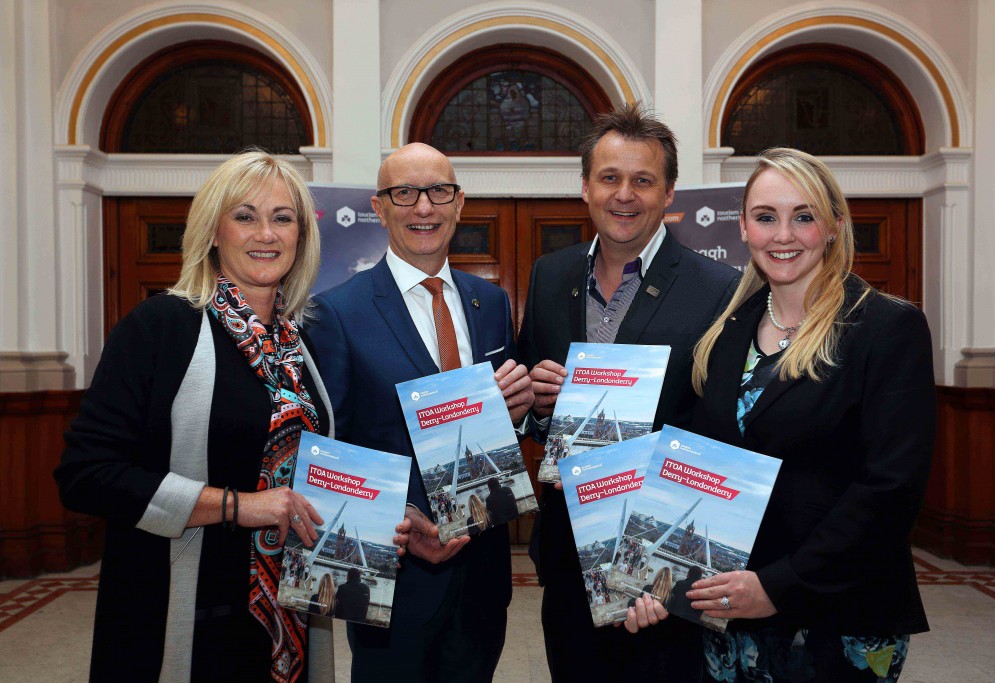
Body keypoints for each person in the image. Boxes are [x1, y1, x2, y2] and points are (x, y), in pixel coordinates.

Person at [54, 150, 343, 682]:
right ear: (213, 230)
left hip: (289, 618)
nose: (267, 233)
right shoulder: (160, 327)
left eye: (283, 218)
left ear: (301, 236)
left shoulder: (301, 344)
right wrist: (239, 506)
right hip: (185, 616)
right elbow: (86, 475)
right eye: (245, 215)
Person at [682, 148, 935, 681]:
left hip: (839, 612)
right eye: (766, 217)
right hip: (734, 604)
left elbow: (889, 489)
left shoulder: (886, 327)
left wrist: (779, 586)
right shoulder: (727, 331)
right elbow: (701, 459)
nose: (783, 235)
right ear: (744, 229)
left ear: (834, 226)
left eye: (804, 216)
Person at [517, 102, 740, 682]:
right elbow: (531, 409)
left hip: (664, 547)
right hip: (569, 550)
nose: (625, 195)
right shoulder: (550, 276)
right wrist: (540, 405)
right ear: (585, 187)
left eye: (643, 180)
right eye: (610, 178)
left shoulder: (720, 288)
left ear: (669, 194)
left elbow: (725, 430)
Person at [307, 142, 534, 682]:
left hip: (481, 573)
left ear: (459, 204)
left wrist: (518, 412)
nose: (423, 207)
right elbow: (329, 449)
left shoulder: (491, 302)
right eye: (404, 193)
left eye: (438, 191)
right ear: (379, 207)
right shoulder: (337, 311)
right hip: (392, 573)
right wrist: (401, 519)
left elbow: (495, 423)